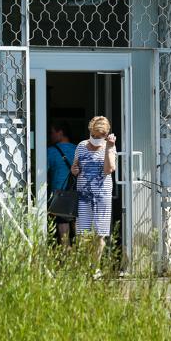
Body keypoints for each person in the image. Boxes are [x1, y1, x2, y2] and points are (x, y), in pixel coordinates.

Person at [70, 116, 116, 270]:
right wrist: (74, 170)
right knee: (82, 233)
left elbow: (108, 170)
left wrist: (109, 148)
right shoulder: (81, 146)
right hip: (83, 196)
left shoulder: (109, 146)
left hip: (101, 197)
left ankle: (95, 267)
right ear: (90, 131)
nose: (96, 139)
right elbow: (75, 167)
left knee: (99, 233)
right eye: (94, 135)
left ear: (106, 134)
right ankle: (84, 265)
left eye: (100, 136)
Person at [46, 122, 76, 246]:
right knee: (79, 229)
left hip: (59, 195)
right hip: (77, 193)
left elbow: (42, 172)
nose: (51, 136)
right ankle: (81, 256)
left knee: (63, 233)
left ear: (60, 132)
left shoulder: (51, 151)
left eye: (52, 132)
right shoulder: (78, 149)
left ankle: (66, 255)